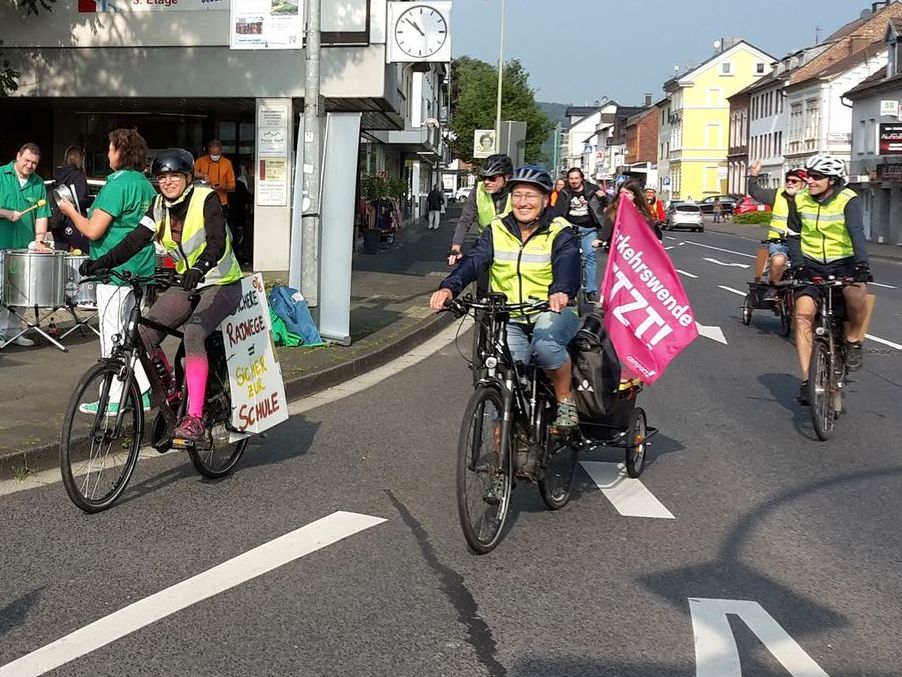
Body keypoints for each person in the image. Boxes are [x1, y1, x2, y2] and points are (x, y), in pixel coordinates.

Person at [79, 148, 243, 446]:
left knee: (193, 333)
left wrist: (201, 266)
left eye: (174, 177)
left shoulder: (205, 199)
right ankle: (171, 393)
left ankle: (194, 417)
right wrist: (103, 262)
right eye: (162, 177)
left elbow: (217, 241)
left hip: (221, 282)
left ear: (188, 178)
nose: (167, 182)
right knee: (144, 332)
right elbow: (135, 241)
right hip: (188, 281)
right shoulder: (158, 206)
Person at [430, 165, 581, 433]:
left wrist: (561, 290)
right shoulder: (497, 229)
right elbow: (475, 259)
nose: (524, 202)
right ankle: (511, 424)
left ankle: (564, 399)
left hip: (551, 310)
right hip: (509, 314)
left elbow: (567, 262)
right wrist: (449, 287)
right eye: (518, 195)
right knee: (508, 368)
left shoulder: (560, 230)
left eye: (531, 196)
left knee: (546, 348)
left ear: (546, 200)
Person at [59, 129, 157, 408]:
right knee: (129, 334)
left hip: (114, 269)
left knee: (113, 336)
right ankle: (143, 390)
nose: (108, 153)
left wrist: (70, 212)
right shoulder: (146, 185)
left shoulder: (117, 185)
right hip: (141, 267)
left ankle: (115, 398)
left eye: (111, 148)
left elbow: (92, 229)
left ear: (121, 152)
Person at [788, 154, 870, 405]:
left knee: (856, 297)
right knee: (802, 315)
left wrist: (862, 265)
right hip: (811, 264)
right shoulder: (800, 199)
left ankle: (854, 340)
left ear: (832, 180)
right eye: (808, 175)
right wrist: (800, 265)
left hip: (843, 262)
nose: (809, 181)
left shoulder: (848, 199)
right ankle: (807, 380)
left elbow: (856, 232)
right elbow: (793, 235)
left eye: (816, 177)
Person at [0, 142, 52, 347]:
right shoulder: (1, 175)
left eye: (34, 163)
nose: (30, 166)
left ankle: (12, 332)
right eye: (27, 161)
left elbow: (41, 215)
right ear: (18, 156)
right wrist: (5, 213)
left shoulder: (38, 183)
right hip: (1, 243)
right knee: (0, 291)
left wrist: (39, 239)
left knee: (19, 292)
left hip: (23, 248)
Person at [748, 160, 807, 294]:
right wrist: (754, 174)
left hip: (804, 243)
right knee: (778, 261)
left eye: (794, 181)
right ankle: (773, 288)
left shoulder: (810, 199)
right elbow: (755, 192)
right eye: (788, 180)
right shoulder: (777, 194)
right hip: (779, 242)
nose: (789, 183)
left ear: (804, 184)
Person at [448, 154, 513, 266]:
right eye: (484, 178)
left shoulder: (517, 192)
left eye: (492, 178)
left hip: (510, 249)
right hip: (485, 245)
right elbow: (465, 219)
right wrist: (456, 247)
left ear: (506, 178)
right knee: (480, 279)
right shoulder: (479, 190)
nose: (487, 182)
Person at [552, 167, 606, 302]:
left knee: (590, 256)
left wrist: (603, 196)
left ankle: (591, 290)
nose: (574, 181)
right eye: (571, 179)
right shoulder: (565, 192)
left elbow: (607, 205)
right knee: (568, 258)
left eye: (576, 178)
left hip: (589, 229)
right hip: (571, 229)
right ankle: (568, 290)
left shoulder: (592, 189)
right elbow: (558, 212)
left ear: (581, 178)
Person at [597, 179, 662, 246]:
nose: (622, 195)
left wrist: (655, 241)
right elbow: (608, 225)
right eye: (621, 193)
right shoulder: (615, 209)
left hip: (637, 248)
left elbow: (650, 229)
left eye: (627, 193)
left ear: (635, 196)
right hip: (620, 246)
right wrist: (600, 239)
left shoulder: (641, 211)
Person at [52, 145, 91, 253]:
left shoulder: (58, 175)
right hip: (74, 221)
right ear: (80, 158)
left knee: (60, 256)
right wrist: (92, 201)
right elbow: (81, 200)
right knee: (85, 253)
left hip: (58, 222)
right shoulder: (78, 176)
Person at [194, 140, 235, 237]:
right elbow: (191, 172)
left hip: (221, 202)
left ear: (221, 151)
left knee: (219, 228)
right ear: (208, 151)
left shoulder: (227, 163)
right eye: (213, 153)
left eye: (217, 153)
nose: (215, 155)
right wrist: (202, 176)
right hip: (202, 201)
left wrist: (223, 187)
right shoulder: (201, 161)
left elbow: (232, 186)